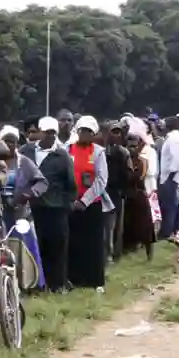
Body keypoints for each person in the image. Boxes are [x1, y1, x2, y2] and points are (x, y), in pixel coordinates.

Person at [19, 116, 76, 292]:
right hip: (33, 208)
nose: (50, 136)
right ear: (40, 132)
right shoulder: (26, 151)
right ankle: (35, 284)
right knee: (35, 246)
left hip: (56, 208)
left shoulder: (62, 155)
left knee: (57, 246)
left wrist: (65, 205)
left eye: (53, 133)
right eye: (47, 132)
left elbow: (70, 184)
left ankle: (57, 284)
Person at [0, 125, 48, 290]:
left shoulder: (24, 162)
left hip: (20, 213)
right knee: (2, 247)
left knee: (23, 248)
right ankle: (4, 285)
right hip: (0, 213)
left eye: (13, 142)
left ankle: (28, 283)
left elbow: (42, 182)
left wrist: (30, 193)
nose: (10, 145)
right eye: (6, 141)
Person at [67, 115, 112, 292]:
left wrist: (85, 201)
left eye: (89, 132)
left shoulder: (98, 152)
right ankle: (74, 279)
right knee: (73, 242)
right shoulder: (68, 149)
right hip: (71, 203)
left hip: (92, 204)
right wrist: (72, 200)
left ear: (94, 134)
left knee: (93, 243)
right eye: (82, 131)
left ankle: (94, 281)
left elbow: (101, 180)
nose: (85, 134)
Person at [122, 133, 157, 261]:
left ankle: (149, 255)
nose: (132, 148)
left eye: (134, 145)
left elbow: (135, 177)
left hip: (138, 195)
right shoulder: (122, 158)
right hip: (126, 196)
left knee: (146, 226)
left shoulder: (143, 161)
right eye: (129, 145)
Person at [103, 123, 131, 264]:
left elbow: (128, 175)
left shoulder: (124, 153)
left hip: (117, 192)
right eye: (113, 132)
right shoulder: (102, 152)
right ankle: (107, 254)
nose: (116, 135)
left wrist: (124, 191)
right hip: (104, 191)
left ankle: (116, 254)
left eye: (118, 132)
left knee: (117, 226)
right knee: (107, 226)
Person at [158, 116, 179, 239]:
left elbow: (175, 161)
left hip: (172, 177)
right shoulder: (172, 138)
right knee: (175, 206)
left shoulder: (174, 140)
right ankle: (176, 230)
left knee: (169, 206)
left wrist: (169, 179)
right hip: (172, 177)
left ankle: (167, 233)